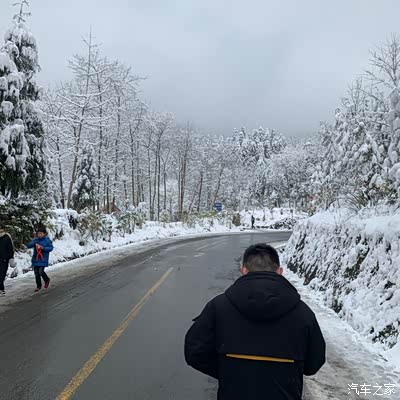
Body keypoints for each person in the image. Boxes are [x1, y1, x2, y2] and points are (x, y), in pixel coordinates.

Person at [184, 243, 326, 400]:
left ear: (244, 270)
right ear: (280, 271)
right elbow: (314, 363)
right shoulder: (303, 313)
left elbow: (194, 352)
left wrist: (228, 371)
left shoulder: (219, 306)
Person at [26, 227, 54, 292]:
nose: (39, 235)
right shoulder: (36, 240)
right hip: (36, 258)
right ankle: (38, 286)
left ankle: (47, 280)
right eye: (38, 233)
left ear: (44, 234)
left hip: (43, 258)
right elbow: (28, 245)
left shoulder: (47, 240)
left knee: (41, 272)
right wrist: (34, 243)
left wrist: (43, 248)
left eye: (41, 233)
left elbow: (50, 248)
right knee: (36, 273)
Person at [0, 223, 16, 296]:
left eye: (1, 228)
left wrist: (11, 258)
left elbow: (10, 248)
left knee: (2, 274)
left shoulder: (7, 237)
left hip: (4, 259)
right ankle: (1, 289)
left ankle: (1, 290)